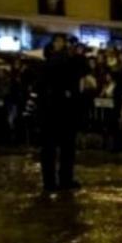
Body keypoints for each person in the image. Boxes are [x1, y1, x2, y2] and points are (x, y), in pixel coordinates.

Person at [39, 33, 83, 192]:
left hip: (60, 111)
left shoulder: (57, 62)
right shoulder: (57, 62)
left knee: (60, 148)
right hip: (57, 110)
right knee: (58, 149)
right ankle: (56, 181)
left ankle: (56, 181)